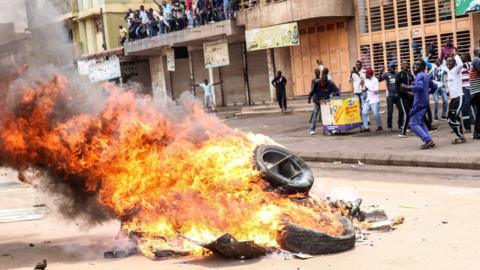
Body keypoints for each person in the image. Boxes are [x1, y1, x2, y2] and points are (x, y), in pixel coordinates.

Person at [403, 59, 437, 149]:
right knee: (420, 123)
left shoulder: (419, 75)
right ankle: (429, 140)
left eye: (417, 65)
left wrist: (407, 87)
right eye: (414, 65)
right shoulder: (425, 75)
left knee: (413, 124)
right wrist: (426, 92)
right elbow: (434, 87)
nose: (414, 67)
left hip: (419, 103)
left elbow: (419, 86)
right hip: (424, 102)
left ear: (422, 67)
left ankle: (428, 140)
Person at [308, 68, 339, 135]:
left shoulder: (330, 83)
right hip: (318, 101)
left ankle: (330, 129)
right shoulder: (317, 82)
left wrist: (334, 94)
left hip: (325, 101)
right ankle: (312, 129)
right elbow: (312, 91)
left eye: (325, 81)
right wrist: (309, 98)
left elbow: (336, 90)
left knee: (328, 115)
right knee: (315, 115)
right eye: (323, 81)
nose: (324, 83)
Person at [445, 54, 466, 144]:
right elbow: (443, 64)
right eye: (448, 61)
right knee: (451, 118)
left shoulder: (456, 70)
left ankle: (460, 137)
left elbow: (461, 65)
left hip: (459, 97)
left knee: (452, 119)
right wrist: (445, 56)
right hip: (453, 98)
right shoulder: (448, 71)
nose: (448, 62)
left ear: (454, 63)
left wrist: (456, 55)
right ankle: (460, 136)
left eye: (451, 61)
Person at [379, 60, 402, 131]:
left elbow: (401, 83)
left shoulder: (398, 74)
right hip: (390, 95)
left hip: (397, 95)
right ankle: (389, 126)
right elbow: (379, 80)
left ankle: (400, 125)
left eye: (393, 66)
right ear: (389, 67)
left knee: (401, 110)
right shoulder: (386, 74)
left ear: (395, 67)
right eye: (391, 66)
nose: (392, 68)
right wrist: (380, 72)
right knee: (390, 111)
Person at [396, 61, 415, 137]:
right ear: (401, 65)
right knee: (406, 114)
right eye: (403, 64)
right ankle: (403, 132)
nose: (405, 65)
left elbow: (413, 83)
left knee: (411, 113)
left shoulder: (410, 74)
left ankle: (409, 127)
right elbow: (399, 85)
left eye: (406, 64)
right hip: (402, 97)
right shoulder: (399, 74)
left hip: (410, 97)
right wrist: (408, 92)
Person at [461, 53, 472, 133]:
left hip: (468, 88)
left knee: (467, 106)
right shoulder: (462, 66)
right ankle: (467, 127)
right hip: (463, 88)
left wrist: (456, 57)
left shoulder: (468, 64)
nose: (461, 57)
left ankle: (469, 126)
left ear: (467, 58)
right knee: (465, 107)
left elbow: (464, 65)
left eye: (462, 56)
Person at [470, 47, 480, 139]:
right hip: (477, 90)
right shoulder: (477, 60)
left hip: (476, 90)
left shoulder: (475, 60)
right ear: (477, 52)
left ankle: (477, 133)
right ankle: (477, 133)